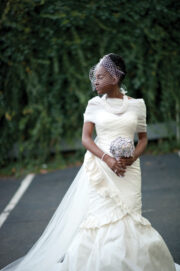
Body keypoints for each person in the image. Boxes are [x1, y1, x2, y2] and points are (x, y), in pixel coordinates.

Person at [1, 53, 180, 271]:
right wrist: (107, 159)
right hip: (101, 170)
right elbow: (86, 138)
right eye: (94, 77)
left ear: (115, 78)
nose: (95, 81)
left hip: (129, 170)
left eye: (100, 77)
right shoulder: (94, 104)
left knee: (131, 215)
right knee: (100, 218)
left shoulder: (137, 106)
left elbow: (143, 139)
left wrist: (131, 158)